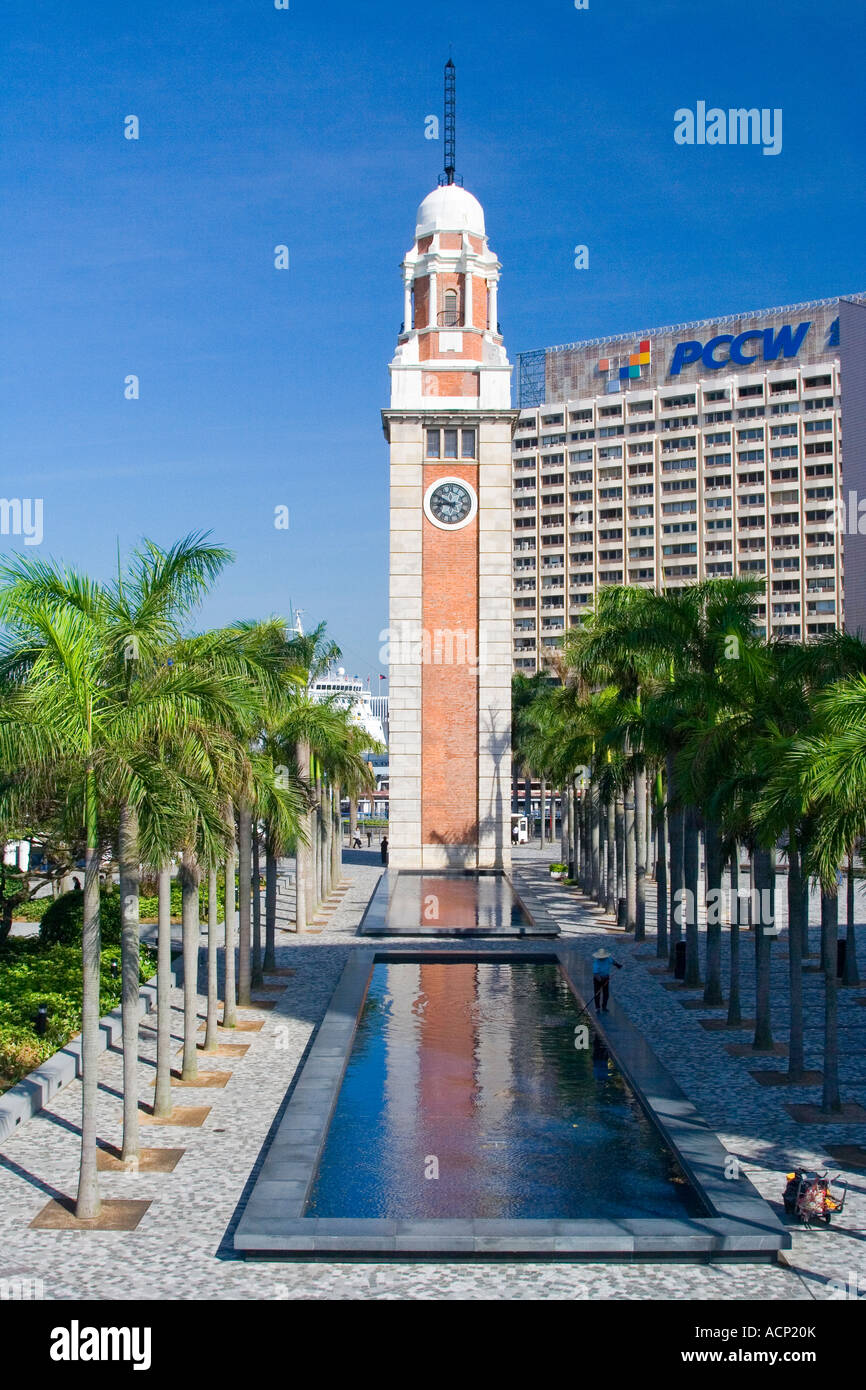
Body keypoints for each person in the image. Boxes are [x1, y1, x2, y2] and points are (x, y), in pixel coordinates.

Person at [592, 947, 622, 1012]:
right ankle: (597, 1008)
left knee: (606, 994)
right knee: (597, 994)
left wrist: (617, 965)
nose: (602, 958)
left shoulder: (608, 959)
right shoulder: (596, 963)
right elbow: (595, 974)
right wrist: (600, 980)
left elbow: (613, 961)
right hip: (598, 980)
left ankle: (604, 1007)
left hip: (606, 978)